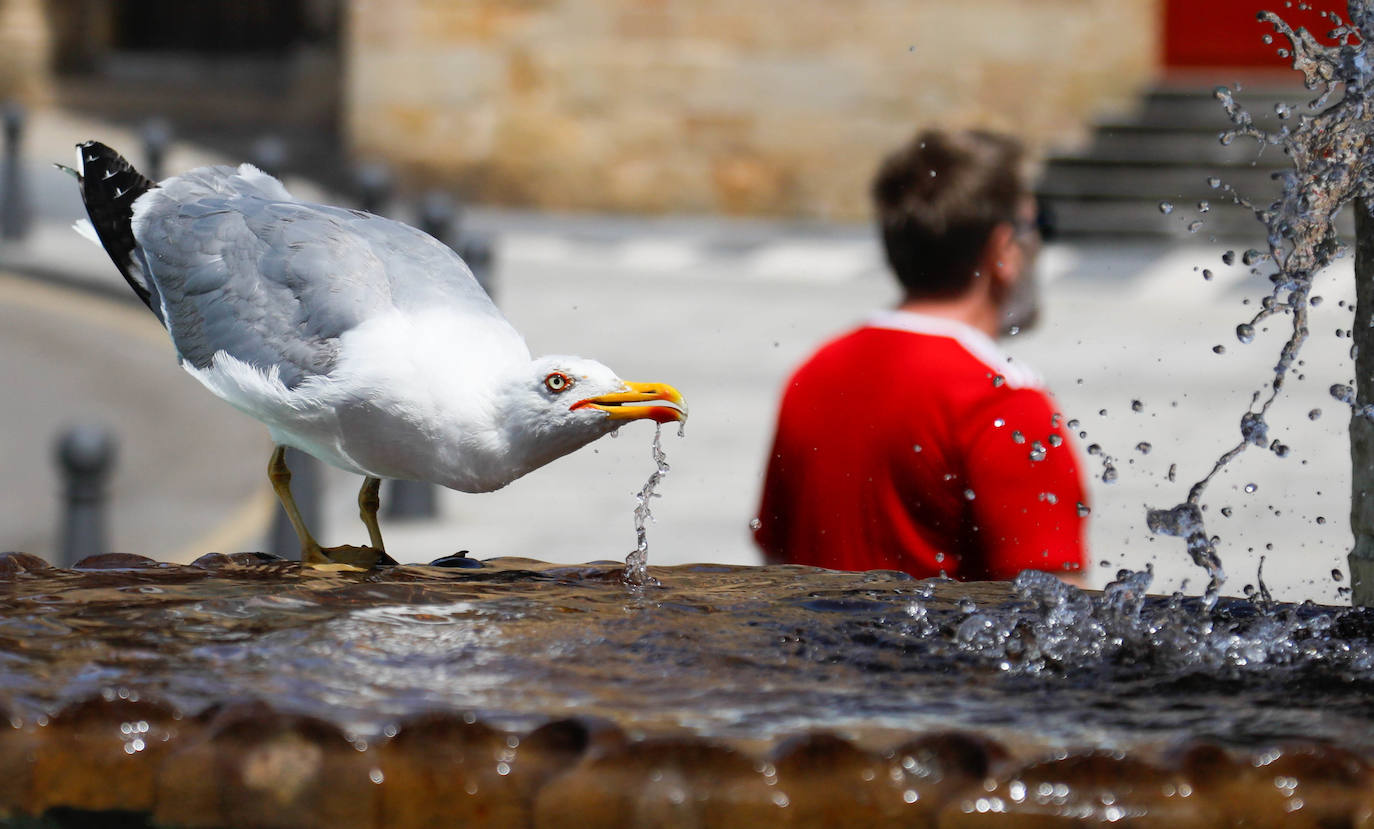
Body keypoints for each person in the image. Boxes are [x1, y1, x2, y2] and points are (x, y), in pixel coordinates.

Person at [753, 129, 1088, 582]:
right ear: (1003, 251)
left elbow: (777, 561)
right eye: (1039, 226)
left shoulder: (815, 371)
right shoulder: (1002, 401)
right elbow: (1054, 612)